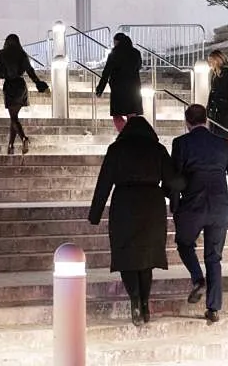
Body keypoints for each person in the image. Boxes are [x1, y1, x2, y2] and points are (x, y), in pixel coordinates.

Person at [88, 115, 183, 327]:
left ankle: (135, 301)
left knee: (127, 255)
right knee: (146, 257)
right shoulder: (157, 149)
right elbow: (174, 181)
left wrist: (95, 214)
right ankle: (145, 302)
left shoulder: (116, 149)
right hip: (152, 206)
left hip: (124, 205)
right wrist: (178, 190)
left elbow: (104, 182)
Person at [170, 103, 228, 325]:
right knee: (214, 257)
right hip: (220, 207)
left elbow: (175, 178)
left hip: (192, 205)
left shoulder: (181, 143)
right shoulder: (223, 144)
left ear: (187, 122)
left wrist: (175, 206)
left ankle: (197, 278)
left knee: (184, 244)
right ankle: (213, 308)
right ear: (206, 120)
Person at [0, 34, 48, 154]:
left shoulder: (2, 54)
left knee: (13, 118)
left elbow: (1, 73)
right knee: (14, 117)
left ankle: (24, 138)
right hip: (21, 87)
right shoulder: (22, 54)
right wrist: (39, 84)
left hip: (10, 88)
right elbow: (30, 71)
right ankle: (10, 146)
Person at [95, 32, 144, 133]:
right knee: (132, 114)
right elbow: (139, 66)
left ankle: (124, 134)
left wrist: (100, 89)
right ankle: (132, 134)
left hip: (118, 89)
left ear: (117, 42)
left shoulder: (115, 53)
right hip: (134, 88)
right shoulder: (136, 52)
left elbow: (106, 72)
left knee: (117, 115)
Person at [206, 49, 228, 147]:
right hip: (216, 111)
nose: (209, 63)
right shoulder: (214, 74)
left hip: (226, 111)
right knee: (217, 136)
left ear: (217, 60)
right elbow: (213, 92)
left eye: (211, 61)